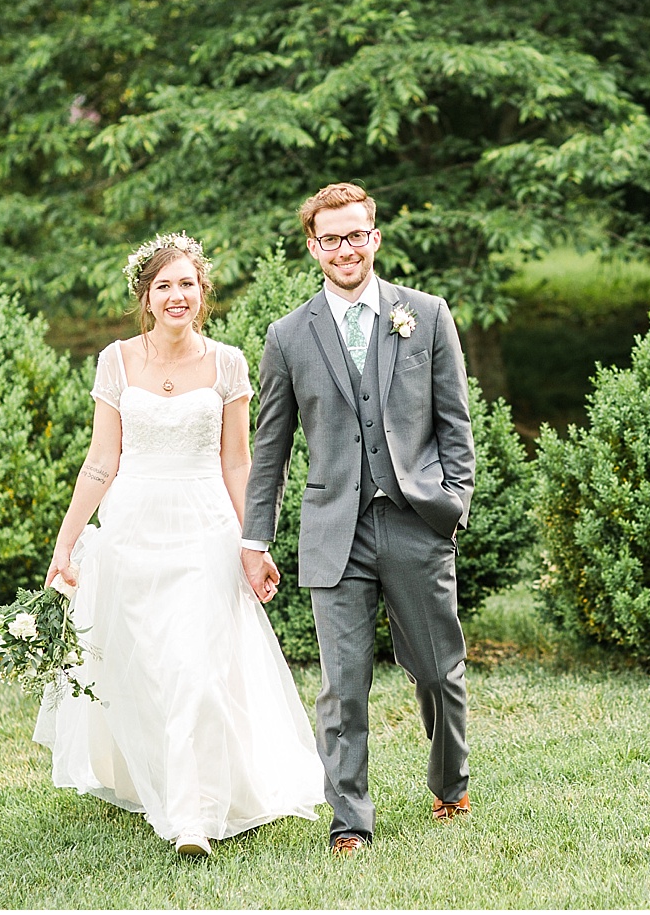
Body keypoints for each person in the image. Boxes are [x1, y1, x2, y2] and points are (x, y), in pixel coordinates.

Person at [33, 232, 324, 858]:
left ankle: (192, 820)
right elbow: (101, 461)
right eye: (163, 285)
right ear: (145, 295)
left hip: (204, 530)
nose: (176, 296)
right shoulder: (116, 361)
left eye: (187, 284)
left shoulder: (228, 364)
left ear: (202, 291)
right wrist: (66, 544)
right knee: (148, 671)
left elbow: (237, 463)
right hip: (133, 531)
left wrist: (254, 542)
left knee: (197, 670)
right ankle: (158, 782)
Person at [240, 182, 477, 857]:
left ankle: (450, 784)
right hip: (334, 529)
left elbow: (455, 424)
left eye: (355, 235)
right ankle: (350, 822)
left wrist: (453, 501)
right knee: (343, 688)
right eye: (331, 239)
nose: (345, 249)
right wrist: (255, 537)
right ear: (312, 246)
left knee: (438, 672)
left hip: (415, 521)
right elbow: (271, 448)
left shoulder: (425, 314)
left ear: (374, 238)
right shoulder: (289, 336)